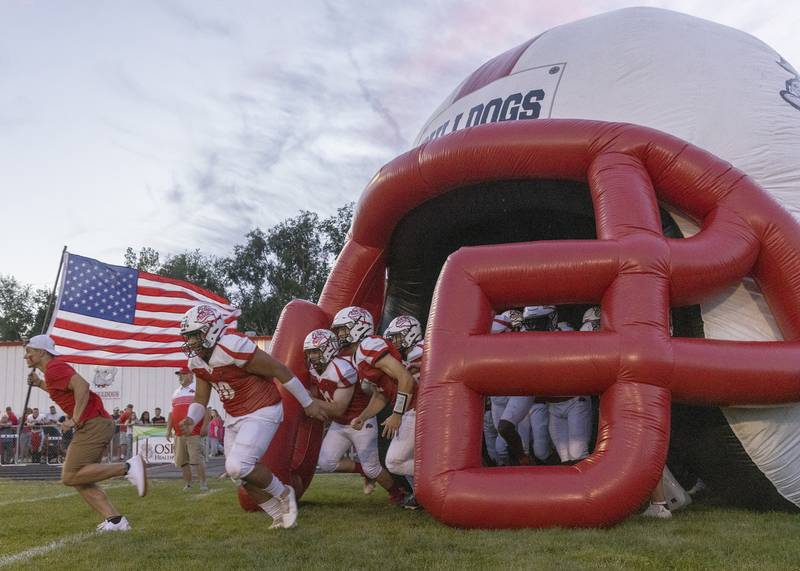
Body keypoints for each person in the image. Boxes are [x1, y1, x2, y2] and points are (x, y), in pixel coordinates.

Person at [177, 304, 327, 529]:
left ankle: (285, 494)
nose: (191, 342)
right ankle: (279, 515)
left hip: (262, 408)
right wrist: (191, 417)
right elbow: (200, 398)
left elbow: (279, 369)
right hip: (234, 415)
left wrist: (307, 403)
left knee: (239, 465)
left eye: (195, 336)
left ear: (211, 330)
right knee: (237, 475)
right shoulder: (197, 361)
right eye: (188, 337)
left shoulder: (233, 346)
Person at [24, 334, 147, 532]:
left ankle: (127, 467)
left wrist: (75, 419)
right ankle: (115, 521)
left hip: (91, 423)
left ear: (41, 352)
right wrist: (39, 384)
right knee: (81, 478)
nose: (26, 357)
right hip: (95, 423)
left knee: (70, 475)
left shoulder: (55, 367)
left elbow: (82, 386)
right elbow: (62, 390)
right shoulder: (52, 371)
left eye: (29, 352)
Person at [303, 328, 402, 504]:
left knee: (372, 468)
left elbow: (338, 408)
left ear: (328, 348)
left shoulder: (342, 369)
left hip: (360, 421)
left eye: (316, 351)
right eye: (310, 352)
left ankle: (398, 494)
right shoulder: (314, 369)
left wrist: (307, 400)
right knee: (326, 462)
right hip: (340, 425)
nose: (312, 357)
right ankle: (363, 471)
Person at [336, 307, 416, 507]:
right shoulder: (359, 355)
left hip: (414, 406)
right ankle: (422, 495)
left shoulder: (368, 345)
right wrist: (363, 416)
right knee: (405, 458)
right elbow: (381, 393)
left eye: (344, 329)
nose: (340, 335)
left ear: (358, 327)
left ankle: (440, 474)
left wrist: (397, 413)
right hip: (408, 407)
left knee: (395, 461)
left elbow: (405, 378)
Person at [166, 367, 209, 492]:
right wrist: (168, 430)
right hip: (178, 433)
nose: (180, 377)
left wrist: (205, 426)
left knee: (196, 459)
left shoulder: (198, 390)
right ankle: (188, 484)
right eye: (179, 375)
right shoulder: (176, 392)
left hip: (193, 432)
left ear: (191, 375)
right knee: (182, 461)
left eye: (183, 374)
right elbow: (171, 413)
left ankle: (203, 484)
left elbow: (206, 409)